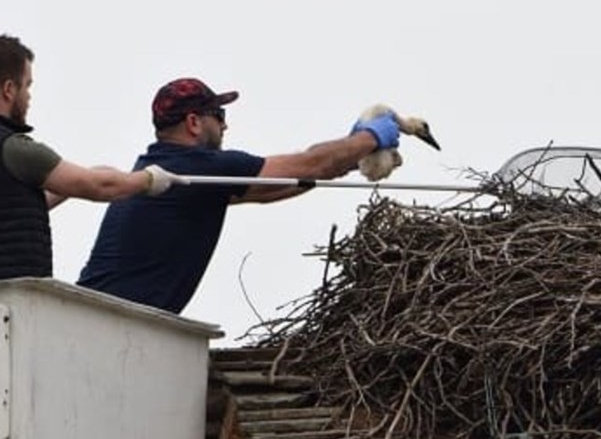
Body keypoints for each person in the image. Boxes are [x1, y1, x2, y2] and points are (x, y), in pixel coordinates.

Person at [77, 77, 401, 314]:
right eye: (219, 116)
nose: (225, 127)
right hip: (111, 324)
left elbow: (271, 187)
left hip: (96, 317)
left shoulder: (163, 171)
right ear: (194, 122)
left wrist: (345, 161)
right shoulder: (198, 167)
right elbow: (309, 164)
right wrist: (370, 136)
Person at [0, 34, 181, 287]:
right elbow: (99, 186)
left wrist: (65, 190)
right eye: (28, 85)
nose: (29, 97)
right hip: (11, 307)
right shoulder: (13, 148)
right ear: (9, 89)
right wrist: (149, 179)